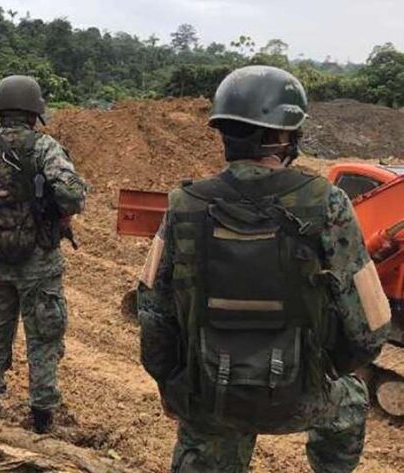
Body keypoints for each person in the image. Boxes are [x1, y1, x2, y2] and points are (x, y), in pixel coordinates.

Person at [137, 65, 391, 472]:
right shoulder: (328, 203)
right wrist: (323, 370)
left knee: (206, 437)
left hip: (209, 395)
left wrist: (172, 385)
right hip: (299, 397)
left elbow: (152, 313)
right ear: (285, 135)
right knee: (351, 402)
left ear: (224, 133)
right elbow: (369, 328)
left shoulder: (184, 204)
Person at [0, 75, 87, 433]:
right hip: (38, 261)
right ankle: (42, 418)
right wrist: (56, 211)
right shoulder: (44, 147)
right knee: (43, 338)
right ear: (34, 111)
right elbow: (73, 195)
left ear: (0, 108)